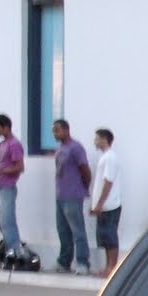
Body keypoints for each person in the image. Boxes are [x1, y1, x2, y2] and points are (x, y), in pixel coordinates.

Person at [52, 118, 93, 274]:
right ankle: (64, 261)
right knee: (63, 230)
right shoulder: (61, 148)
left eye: (57, 130)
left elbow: (85, 169)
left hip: (73, 194)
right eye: (53, 131)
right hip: (60, 195)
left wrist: (83, 186)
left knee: (77, 230)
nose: (55, 134)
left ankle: (82, 262)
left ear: (66, 130)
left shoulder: (75, 148)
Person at [0, 113, 26, 258]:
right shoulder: (2, 144)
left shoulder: (14, 144)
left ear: (6, 127)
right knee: (1, 221)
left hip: (8, 186)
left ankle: (16, 251)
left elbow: (19, 167)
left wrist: (0, 171)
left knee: (7, 220)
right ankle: (9, 249)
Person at [89, 128, 123, 278]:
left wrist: (99, 204)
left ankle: (112, 267)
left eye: (97, 138)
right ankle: (107, 266)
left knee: (110, 235)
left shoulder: (110, 158)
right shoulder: (105, 157)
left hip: (110, 205)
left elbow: (108, 182)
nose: (94, 141)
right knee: (104, 237)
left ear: (104, 139)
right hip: (104, 206)